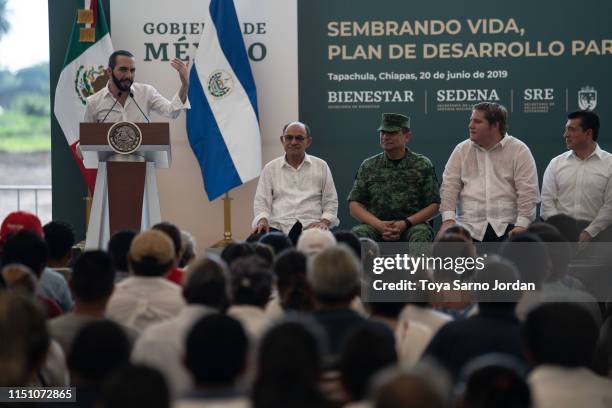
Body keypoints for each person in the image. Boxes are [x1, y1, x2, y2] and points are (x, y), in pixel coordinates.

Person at [438, 102, 540, 242]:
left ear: (495, 125)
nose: (471, 126)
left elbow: (528, 192)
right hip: (467, 226)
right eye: (471, 120)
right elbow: (449, 186)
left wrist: (522, 225)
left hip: (508, 226)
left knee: (520, 251)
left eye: (477, 121)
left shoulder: (519, 150)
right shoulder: (461, 150)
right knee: (446, 250)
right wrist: (448, 220)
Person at [348, 113, 440, 242]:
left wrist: (405, 223)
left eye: (392, 133)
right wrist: (379, 225)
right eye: (383, 132)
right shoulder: (369, 165)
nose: (385, 137)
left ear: (407, 136)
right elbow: (354, 205)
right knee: (357, 235)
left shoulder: (422, 164)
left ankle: (419, 263)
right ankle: (365, 262)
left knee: (421, 237)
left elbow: (435, 205)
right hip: (375, 226)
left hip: (412, 226)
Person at [251, 121, 339, 244]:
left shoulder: (321, 166)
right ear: (282, 140)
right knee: (254, 240)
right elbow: (261, 202)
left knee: (338, 241)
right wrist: (262, 220)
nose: (293, 142)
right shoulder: (270, 168)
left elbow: (331, 201)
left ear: (308, 142)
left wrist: (324, 222)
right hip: (278, 226)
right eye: (289, 138)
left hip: (312, 226)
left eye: (299, 138)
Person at [541, 110, 612, 242]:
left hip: (600, 238)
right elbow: (547, 203)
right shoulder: (556, 163)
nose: (565, 135)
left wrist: (589, 233)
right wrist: (559, 231)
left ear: (589, 133)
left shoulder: (609, 164)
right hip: (559, 238)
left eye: (571, 130)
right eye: (566, 130)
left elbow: (610, 207)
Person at [83, 50, 189, 123]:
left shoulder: (146, 92)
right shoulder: (94, 102)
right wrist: (81, 146)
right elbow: (86, 141)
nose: (129, 75)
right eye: (123, 70)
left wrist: (184, 85)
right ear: (109, 71)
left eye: (132, 70)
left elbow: (172, 112)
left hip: (143, 156)